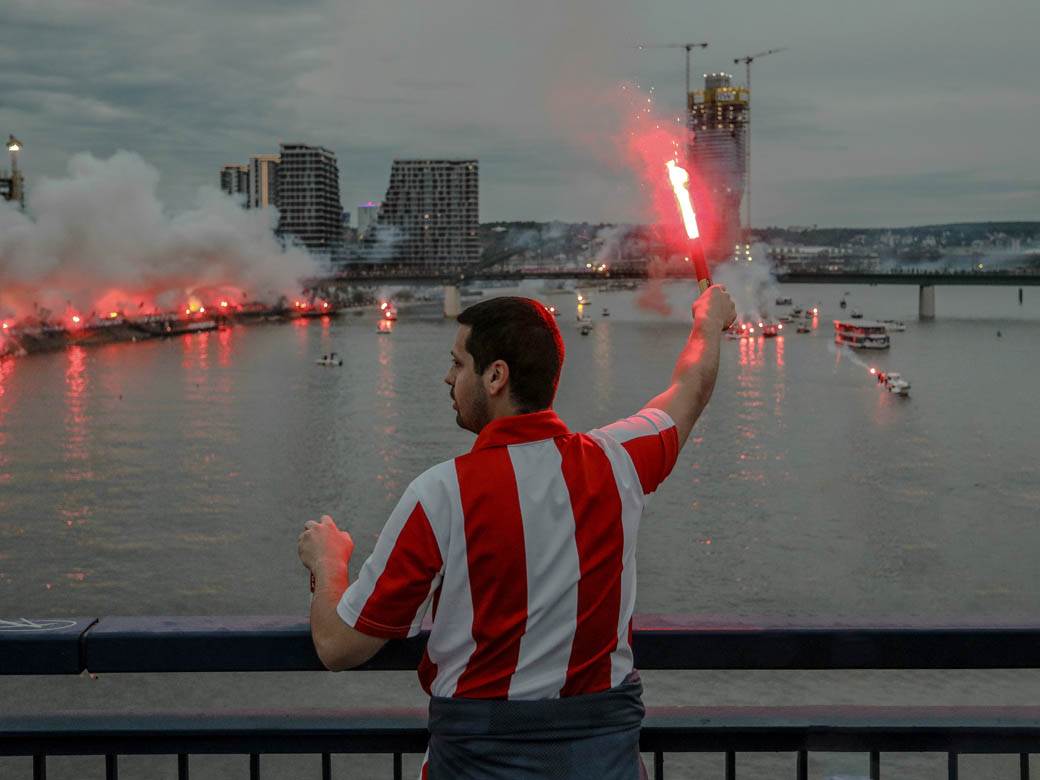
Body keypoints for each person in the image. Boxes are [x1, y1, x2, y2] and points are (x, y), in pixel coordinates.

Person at [298, 289, 736, 779]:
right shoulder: (618, 463)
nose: (448, 377)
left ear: (495, 376)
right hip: (602, 762)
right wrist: (709, 318)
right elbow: (690, 388)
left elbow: (338, 646)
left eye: (458, 363)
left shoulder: (440, 494)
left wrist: (328, 563)